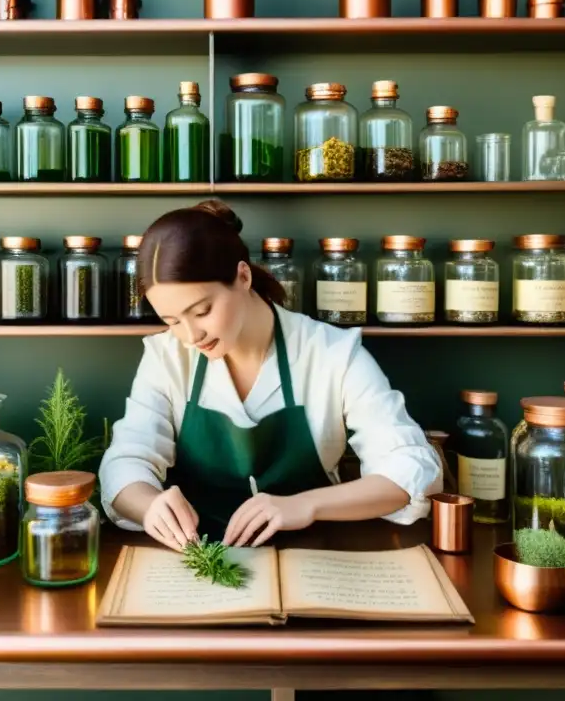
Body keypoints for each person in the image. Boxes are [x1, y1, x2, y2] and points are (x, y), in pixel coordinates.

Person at [99, 200, 442, 550]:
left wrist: (305, 505)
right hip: (199, 561)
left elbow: (410, 467)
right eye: (171, 321)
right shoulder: (165, 357)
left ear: (243, 276)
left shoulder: (331, 353)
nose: (190, 335)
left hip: (316, 557)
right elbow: (125, 463)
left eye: (202, 311)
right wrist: (150, 506)